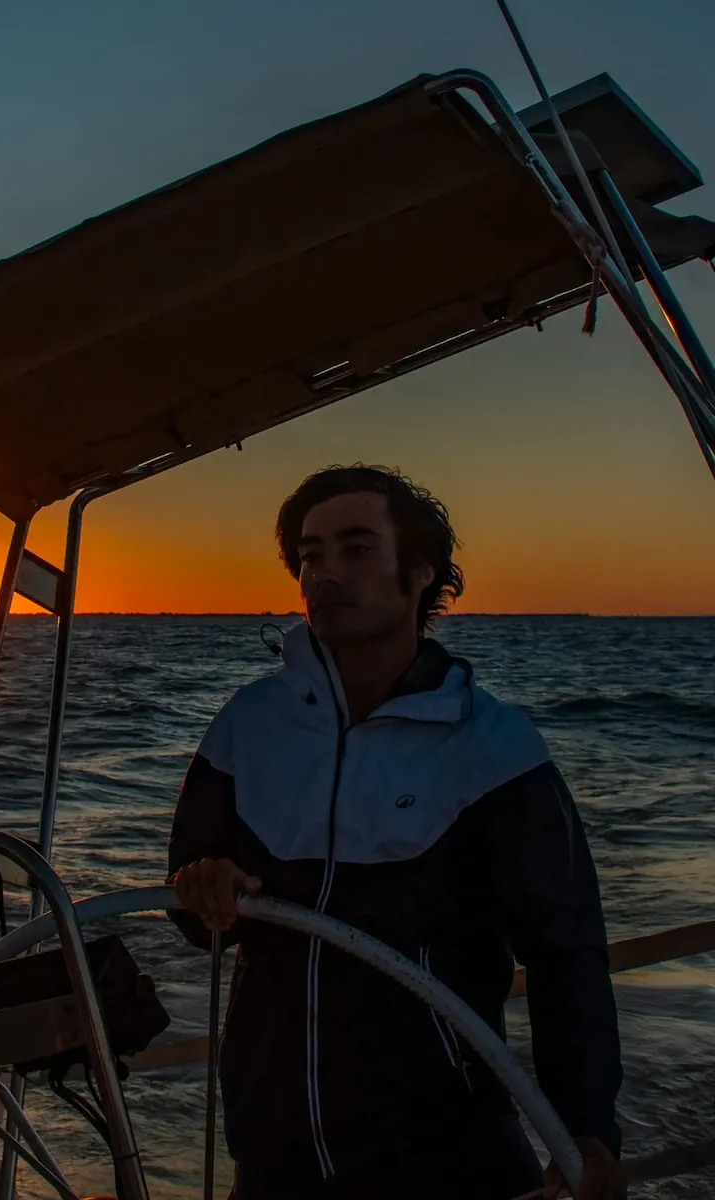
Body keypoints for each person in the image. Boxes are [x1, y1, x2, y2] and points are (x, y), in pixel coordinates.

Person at [167, 465, 624, 1200]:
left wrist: (586, 1126)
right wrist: (203, 887)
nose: (324, 574)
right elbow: (193, 904)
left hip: (448, 1151)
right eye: (311, 556)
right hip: (275, 1148)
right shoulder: (247, 727)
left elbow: (564, 950)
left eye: (356, 550)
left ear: (420, 573)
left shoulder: (492, 749)